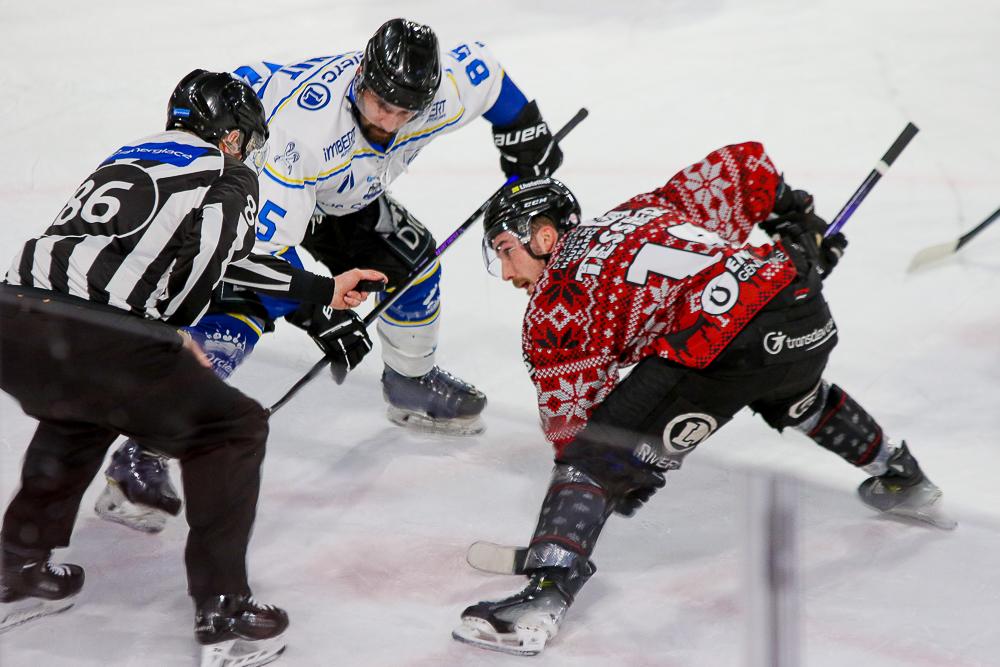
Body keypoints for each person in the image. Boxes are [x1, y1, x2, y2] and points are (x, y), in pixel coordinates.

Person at [450, 143, 956, 656]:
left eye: (505, 250)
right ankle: (903, 476)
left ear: (543, 235)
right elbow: (743, 166)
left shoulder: (556, 301)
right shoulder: (642, 210)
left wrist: (618, 473)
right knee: (800, 396)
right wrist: (798, 224)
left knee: (592, 458)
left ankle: (541, 601)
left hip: (723, 341)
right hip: (798, 303)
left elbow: (574, 431)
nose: (507, 273)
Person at [96, 17, 566, 532]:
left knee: (412, 265)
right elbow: (262, 254)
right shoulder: (305, 130)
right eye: (380, 104)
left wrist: (525, 132)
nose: (389, 121)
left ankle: (410, 381)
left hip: (338, 191)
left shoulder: (437, 96)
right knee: (247, 306)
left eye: (404, 111)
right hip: (249, 176)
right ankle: (142, 452)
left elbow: (486, 74)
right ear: (361, 78)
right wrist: (317, 309)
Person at [0, 70, 384, 666]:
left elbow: (209, 254)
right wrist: (174, 332)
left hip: (16, 320)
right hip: (101, 333)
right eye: (246, 139)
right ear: (231, 135)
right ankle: (224, 611)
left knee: (79, 411)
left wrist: (320, 290)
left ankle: (16, 572)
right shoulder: (228, 173)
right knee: (232, 429)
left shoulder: (133, 155)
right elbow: (208, 264)